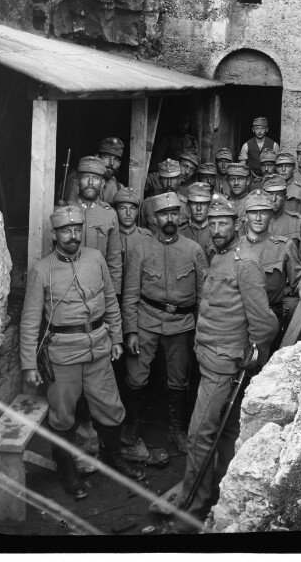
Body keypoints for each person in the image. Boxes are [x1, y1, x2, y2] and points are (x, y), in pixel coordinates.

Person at [19, 206, 144, 500]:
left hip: (99, 349)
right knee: (63, 417)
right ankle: (68, 474)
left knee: (111, 409)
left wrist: (116, 338)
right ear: (55, 234)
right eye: (66, 231)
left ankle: (114, 459)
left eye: (77, 230)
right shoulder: (42, 270)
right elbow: (29, 321)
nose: (73, 236)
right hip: (63, 355)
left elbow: (110, 301)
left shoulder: (95, 258)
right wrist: (28, 364)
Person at [176, 194, 279, 531]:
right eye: (213, 223)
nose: (217, 229)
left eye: (224, 223)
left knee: (198, 433)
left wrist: (252, 354)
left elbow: (264, 324)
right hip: (208, 355)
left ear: (237, 225)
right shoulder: (218, 255)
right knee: (223, 432)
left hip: (224, 363)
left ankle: (193, 502)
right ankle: (216, 488)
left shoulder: (244, 262)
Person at [121, 192, 208, 454]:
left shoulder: (194, 250)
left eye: (173, 213)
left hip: (181, 324)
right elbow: (130, 294)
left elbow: (204, 295)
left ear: (180, 216)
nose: (169, 218)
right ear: (154, 218)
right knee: (136, 376)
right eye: (163, 214)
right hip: (146, 320)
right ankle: (134, 426)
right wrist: (131, 331)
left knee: (179, 379)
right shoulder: (142, 250)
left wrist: (201, 328)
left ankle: (176, 429)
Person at [238, 190, 301, 356]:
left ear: (271, 216)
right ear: (246, 216)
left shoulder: (283, 247)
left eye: (263, 213)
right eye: (253, 213)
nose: (258, 218)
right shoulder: (235, 247)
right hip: (237, 318)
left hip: (270, 318)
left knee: (261, 368)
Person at [66, 156, 122, 297]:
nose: (90, 183)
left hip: (97, 290)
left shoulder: (110, 215)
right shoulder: (64, 211)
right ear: (77, 181)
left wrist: (113, 295)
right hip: (67, 289)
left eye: (96, 178)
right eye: (86, 178)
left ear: (103, 183)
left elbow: (114, 259)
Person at [263, 174, 301, 276]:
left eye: (278, 194)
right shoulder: (252, 223)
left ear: (285, 198)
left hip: (291, 284)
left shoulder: (298, 222)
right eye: (269, 194)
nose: (273, 199)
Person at [63, 137, 125, 206]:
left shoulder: (118, 187)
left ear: (119, 163)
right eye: (107, 157)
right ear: (97, 156)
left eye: (116, 159)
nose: (112, 163)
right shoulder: (79, 180)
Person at [113, 186, 153, 279]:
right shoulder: (110, 237)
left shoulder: (146, 237)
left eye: (132, 208)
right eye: (123, 208)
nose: (128, 213)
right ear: (115, 211)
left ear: (137, 211)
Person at [140, 159, 189, 234]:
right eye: (165, 179)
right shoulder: (147, 204)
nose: (169, 184)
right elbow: (142, 234)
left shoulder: (187, 205)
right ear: (159, 180)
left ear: (179, 180)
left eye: (173, 179)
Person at [275, 151, 301, 236]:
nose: (283, 170)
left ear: (294, 168)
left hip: (295, 237)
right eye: (280, 166)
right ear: (276, 169)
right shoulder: (271, 191)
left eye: (287, 166)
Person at [181, 182, 212, 253]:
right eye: (194, 203)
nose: (198, 208)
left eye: (203, 204)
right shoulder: (180, 233)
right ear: (188, 206)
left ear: (209, 206)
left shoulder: (216, 233)